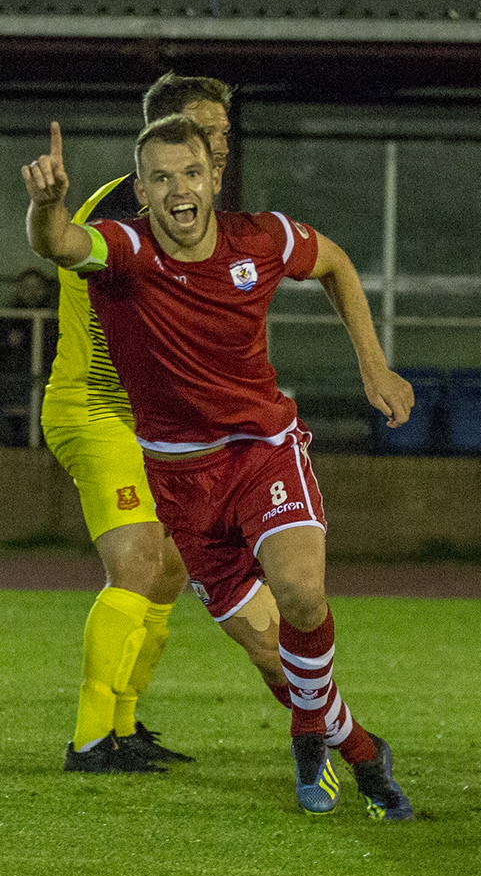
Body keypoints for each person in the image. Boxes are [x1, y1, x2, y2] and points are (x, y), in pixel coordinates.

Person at [25, 112, 419, 820]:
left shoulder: (261, 239)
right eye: (161, 178)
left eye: (192, 172)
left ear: (214, 176)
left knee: (302, 589)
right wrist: (46, 202)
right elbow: (57, 242)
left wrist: (374, 363)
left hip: (263, 452)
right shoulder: (126, 255)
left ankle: (297, 733)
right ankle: (358, 748)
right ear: (139, 193)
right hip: (182, 484)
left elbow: (334, 261)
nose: (180, 190)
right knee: (274, 653)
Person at [41, 74, 255, 775]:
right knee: (134, 561)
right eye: (209, 130)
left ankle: (122, 725)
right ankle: (88, 739)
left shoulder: (195, 215)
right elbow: (60, 243)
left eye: (224, 132)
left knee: (167, 571)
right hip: (96, 406)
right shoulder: (126, 208)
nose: (223, 142)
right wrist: (46, 208)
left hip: (151, 419)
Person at [0, 268, 59, 446]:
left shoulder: (55, 319)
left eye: (37, 288)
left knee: (44, 397)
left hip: (43, 382)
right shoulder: (8, 318)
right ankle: (12, 444)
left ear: (46, 291)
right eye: (27, 288)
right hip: (11, 382)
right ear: (19, 291)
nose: (32, 294)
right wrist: (6, 343)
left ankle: (28, 444)